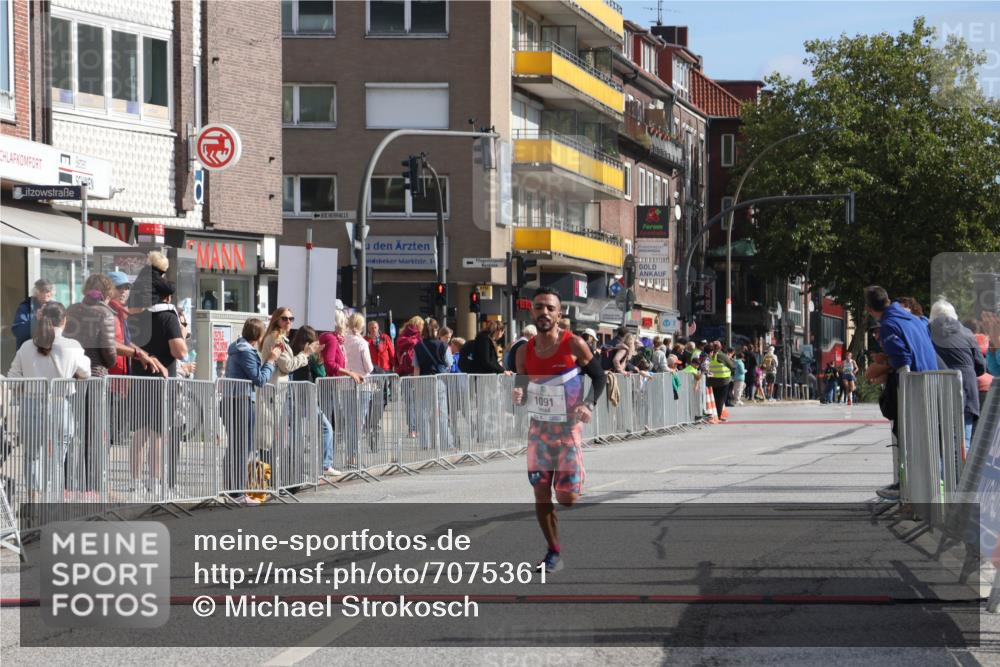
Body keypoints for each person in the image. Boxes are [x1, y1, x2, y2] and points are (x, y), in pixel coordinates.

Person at [512, 287, 606, 574]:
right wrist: (519, 394)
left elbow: (599, 377)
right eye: (539, 307)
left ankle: (572, 484)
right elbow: (523, 386)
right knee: (541, 493)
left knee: (566, 499)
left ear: (559, 313)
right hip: (539, 430)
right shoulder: (523, 351)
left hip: (567, 430)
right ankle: (554, 552)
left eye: (550, 308)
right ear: (532, 312)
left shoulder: (573, 344)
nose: (544, 313)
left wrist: (588, 403)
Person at [8, 302, 90, 495]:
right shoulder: (72, 346)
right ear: (64, 321)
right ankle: (51, 497)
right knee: (57, 455)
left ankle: (33, 498)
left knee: (32, 456)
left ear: (41, 318)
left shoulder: (27, 346)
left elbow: (12, 378)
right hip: (59, 404)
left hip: (30, 404)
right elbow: (85, 372)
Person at [866, 286, 939, 501]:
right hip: (931, 383)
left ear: (870, 309)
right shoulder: (915, 319)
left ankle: (908, 487)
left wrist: (885, 361)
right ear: (888, 299)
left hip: (913, 389)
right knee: (924, 440)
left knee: (908, 437)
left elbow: (902, 360)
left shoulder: (889, 324)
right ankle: (920, 489)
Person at [130, 276, 187, 495]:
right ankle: (155, 482)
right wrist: (181, 329)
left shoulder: (137, 317)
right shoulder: (168, 316)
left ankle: (135, 481)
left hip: (138, 378)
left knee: (139, 433)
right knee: (158, 434)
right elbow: (179, 351)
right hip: (162, 382)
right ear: (168, 296)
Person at [221, 318, 281, 506]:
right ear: (259, 336)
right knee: (241, 448)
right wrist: (271, 360)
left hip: (234, 400)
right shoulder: (246, 352)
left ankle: (232, 490)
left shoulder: (237, 348)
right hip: (241, 401)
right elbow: (260, 379)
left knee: (236, 447)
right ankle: (237, 492)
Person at [929, 299, 985, 454]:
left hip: (937, 390)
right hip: (966, 389)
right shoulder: (967, 333)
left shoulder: (927, 332)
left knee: (939, 445)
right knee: (963, 442)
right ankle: (961, 478)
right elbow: (981, 365)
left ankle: (941, 478)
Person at [290, 326, 340, 477]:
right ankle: (325, 465)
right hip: (306, 397)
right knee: (326, 428)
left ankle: (295, 468)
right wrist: (319, 357)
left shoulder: (294, 353)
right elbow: (322, 373)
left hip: (296, 397)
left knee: (297, 433)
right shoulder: (308, 356)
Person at [414, 318, 454, 451]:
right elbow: (449, 363)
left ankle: (425, 444)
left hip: (423, 380)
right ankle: (445, 443)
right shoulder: (443, 346)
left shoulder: (418, 346)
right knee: (442, 413)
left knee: (424, 414)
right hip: (439, 380)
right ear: (436, 330)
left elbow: (416, 368)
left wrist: (416, 384)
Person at [12, 278, 54, 350]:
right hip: (30, 351)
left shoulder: (56, 307)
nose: (46, 294)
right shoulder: (25, 307)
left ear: (52, 293)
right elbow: (17, 331)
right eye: (42, 291)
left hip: (50, 351)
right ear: (36, 292)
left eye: (48, 291)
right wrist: (35, 319)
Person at [706, 341, 736, 420]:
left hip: (712, 380)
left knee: (714, 398)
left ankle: (714, 415)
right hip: (723, 381)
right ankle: (718, 416)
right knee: (721, 399)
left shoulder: (709, 356)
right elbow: (732, 366)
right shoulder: (722, 356)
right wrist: (732, 374)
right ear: (720, 347)